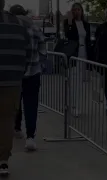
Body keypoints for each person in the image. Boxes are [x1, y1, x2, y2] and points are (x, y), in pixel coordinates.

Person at [9, 4, 46, 151]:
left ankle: (17, 128)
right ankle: (30, 137)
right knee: (31, 105)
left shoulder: (13, 26)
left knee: (15, 102)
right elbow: (43, 48)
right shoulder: (34, 26)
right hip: (33, 71)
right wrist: (40, 63)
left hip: (16, 72)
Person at [0, 0, 30, 176]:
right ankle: (3, 161)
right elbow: (26, 50)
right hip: (12, 80)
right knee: (6, 121)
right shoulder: (18, 23)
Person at [64, 2, 92, 116]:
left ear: (81, 11)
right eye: (74, 10)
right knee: (73, 81)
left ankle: (75, 104)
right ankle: (72, 106)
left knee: (80, 82)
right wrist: (70, 22)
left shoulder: (86, 24)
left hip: (83, 53)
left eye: (78, 9)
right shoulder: (68, 23)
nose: (76, 11)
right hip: (73, 54)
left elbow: (88, 40)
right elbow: (68, 35)